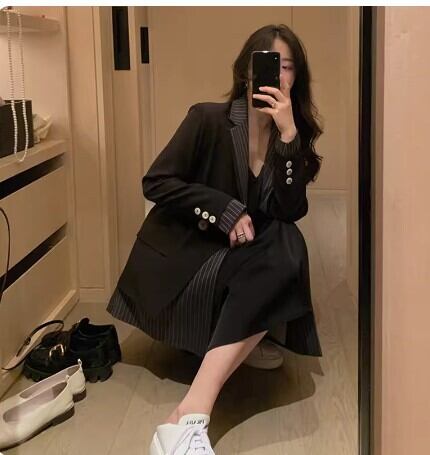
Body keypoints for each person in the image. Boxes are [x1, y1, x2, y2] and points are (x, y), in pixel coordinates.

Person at [107, 23, 323, 454]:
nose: (279, 75)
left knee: (288, 240)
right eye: (270, 64)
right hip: (195, 255)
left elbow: (290, 210)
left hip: (245, 260)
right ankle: (196, 405)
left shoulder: (292, 134)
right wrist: (224, 209)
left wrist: (288, 139)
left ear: (296, 78)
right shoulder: (208, 119)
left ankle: (190, 411)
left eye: (288, 67)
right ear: (247, 71)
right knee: (282, 248)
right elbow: (156, 182)